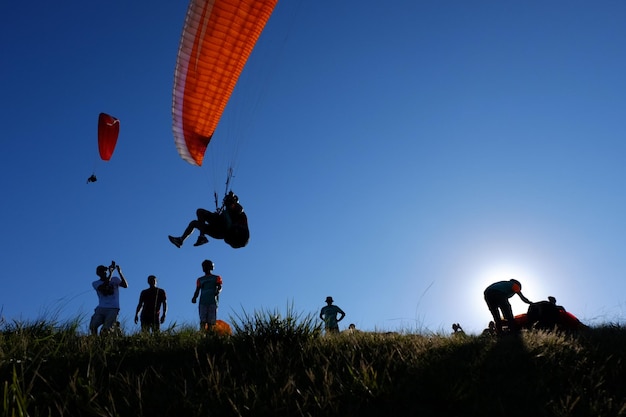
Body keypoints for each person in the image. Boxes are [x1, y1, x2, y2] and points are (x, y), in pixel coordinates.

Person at [168, 191, 249, 249]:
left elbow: (240, 209)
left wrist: (232, 201)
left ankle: (202, 236)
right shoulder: (227, 211)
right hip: (220, 232)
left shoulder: (237, 211)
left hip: (226, 232)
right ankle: (181, 240)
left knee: (200, 212)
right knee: (194, 222)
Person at [89, 261, 128, 335]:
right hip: (101, 308)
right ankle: (94, 341)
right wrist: (111, 274)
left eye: (105, 271)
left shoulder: (115, 279)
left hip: (113, 308)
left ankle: (113, 331)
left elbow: (125, 285)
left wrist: (120, 272)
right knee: (93, 326)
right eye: (102, 271)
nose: (104, 272)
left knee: (106, 329)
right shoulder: (95, 283)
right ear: (98, 273)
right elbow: (102, 287)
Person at [191, 259, 222, 331]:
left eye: (206, 266)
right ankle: (202, 333)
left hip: (212, 301)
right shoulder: (200, 279)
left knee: (211, 320)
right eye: (204, 266)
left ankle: (210, 334)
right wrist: (194, 297)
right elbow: (197, 289)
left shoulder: (216, 277)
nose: (204, 268)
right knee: (203, 319)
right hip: (203, 301)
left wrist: (218, 291)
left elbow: (219, 286)